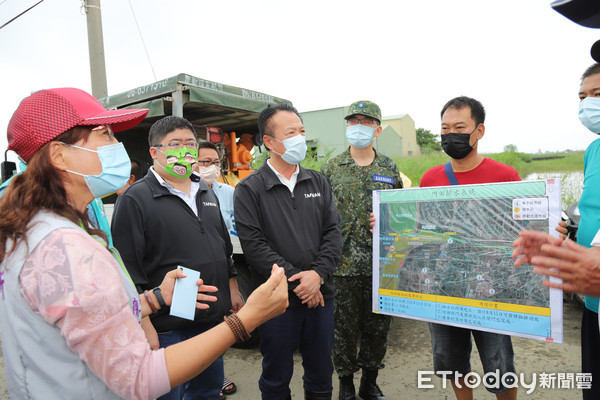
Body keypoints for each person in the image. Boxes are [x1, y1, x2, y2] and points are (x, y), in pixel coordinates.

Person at [0, 87, 288, 400]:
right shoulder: (64, 248)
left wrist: (154, 299)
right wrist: (246, 320)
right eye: (106, 134)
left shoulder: (44, 227)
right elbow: (138, 378)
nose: (117, 146)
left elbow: (86, 313)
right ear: (58, 154)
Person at [111, 115, 241, 400]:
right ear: (154, 152)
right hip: (168, 325)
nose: (185, 150)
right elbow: (127, 269)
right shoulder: (135, 199)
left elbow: (222, 247)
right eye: (175, 144)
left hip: (210, 319)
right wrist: (144, 324)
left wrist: (232, 289)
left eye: (190, 144)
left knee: (206, 392)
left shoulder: (205, 191)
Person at [234, 103, 342, 400]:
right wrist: (301, 281)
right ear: (269, 141)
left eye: (302, 131)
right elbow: (254, 246)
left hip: (320, 296)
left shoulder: (317, 181)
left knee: (321, 373)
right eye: (291, 132)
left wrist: (318, 275)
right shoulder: (249, 189)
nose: (300, 138)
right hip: (275, 301)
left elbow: (333, 232)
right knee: (276, 375)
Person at [419, 96, 520, 400]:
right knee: (452, 364)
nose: (451, 135)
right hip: (444, 287)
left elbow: (521, 231)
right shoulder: (430, 179)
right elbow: (424, 232)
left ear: (479, 131)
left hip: (490, 290)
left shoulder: (506, 177)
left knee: (499, 366)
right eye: (445, 128)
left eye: (460, 127)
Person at [513, 63, 600, 399]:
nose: (587, 103)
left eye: (598, 94)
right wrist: (562, 242)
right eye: (582, 96)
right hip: (593, 301)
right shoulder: (593, 151)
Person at [320, 100, 402, 400]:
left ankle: (370, 382)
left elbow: (402, 213)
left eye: (365, 121)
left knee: (378, 327)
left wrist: (388, 220)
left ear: (377, 129)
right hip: (341, 265)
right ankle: (345, 384)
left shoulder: (389, 167)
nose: (358, 126)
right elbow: (319, 216)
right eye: (353, 121)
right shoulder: (331, 168)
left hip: (381, 265)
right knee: (342, 329)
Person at [195, 141, 243, 398]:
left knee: (220, 329)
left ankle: (215, 377)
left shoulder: (228, 192)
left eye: (214, 162)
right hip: (192, 274)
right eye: (204, 162)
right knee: (192, 331)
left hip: (222, 268)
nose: (210, 167)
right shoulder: (186, 192)